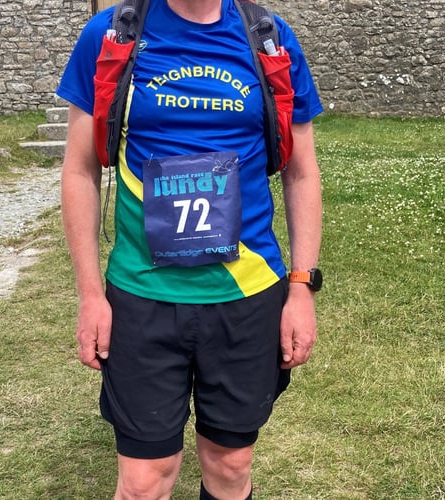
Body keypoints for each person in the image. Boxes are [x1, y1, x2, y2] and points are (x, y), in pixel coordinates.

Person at [57, 0, 324, 498]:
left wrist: (301, 289)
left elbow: (301, 171)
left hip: (246, 294)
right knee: (143, 481)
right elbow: (80, 170)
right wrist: (90, 295)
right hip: (141, 296)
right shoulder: (112, 33)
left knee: (230, 466)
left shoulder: (269, 37)